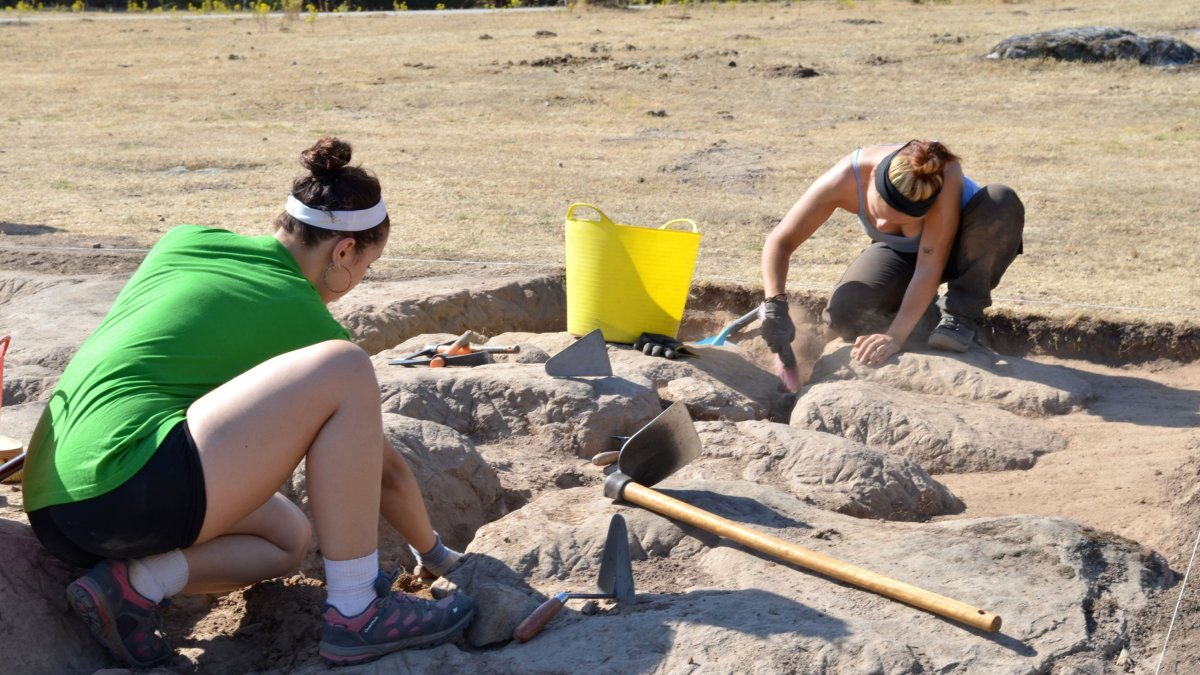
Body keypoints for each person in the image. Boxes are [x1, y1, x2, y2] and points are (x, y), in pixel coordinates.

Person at [21, 137, 476, 668]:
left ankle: (134, 585)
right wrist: (436, 554)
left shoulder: (185, 240)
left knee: (287, 537)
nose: (359, 280)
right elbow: (385, 471)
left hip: (54, 506)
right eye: (367, 266)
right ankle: (358, 610)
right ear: (343, 252)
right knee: (346, 365)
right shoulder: (307, 322)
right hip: (123, 493)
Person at [760, 139, 1024, 373]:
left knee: (1000, 200)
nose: (882, 225)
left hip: (968, 248)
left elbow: (929, 266)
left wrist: (895, 336)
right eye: (878, 212)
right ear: (875, 174)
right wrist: (775, 304)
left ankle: (960, 316)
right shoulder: (845, 177)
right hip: (904, 252)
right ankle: (927, 319)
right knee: (845, 314)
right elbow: (780, 242)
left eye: (901, 220)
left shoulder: (944, 175)